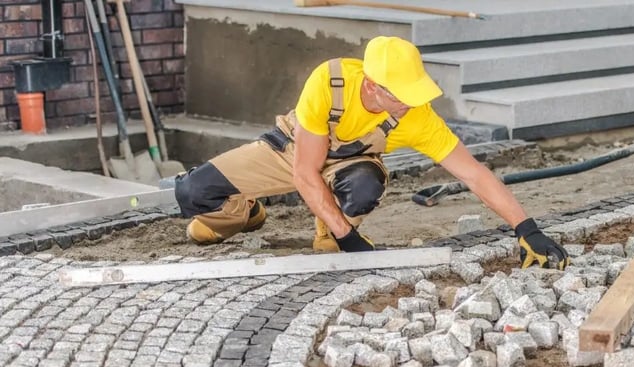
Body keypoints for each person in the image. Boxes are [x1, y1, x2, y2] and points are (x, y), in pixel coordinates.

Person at [174, 36, 569, 270]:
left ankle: (328, 229)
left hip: (348, 166)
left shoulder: (418, 117)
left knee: (364, 187)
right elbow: (304, 173)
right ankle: (247, 214)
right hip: (292, 151)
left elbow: (473, 174)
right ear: (373, 86)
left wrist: (526, 229)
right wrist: (353, 240)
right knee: (192, 194)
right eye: (401, 95)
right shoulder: (328, 82)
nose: (410, 104)